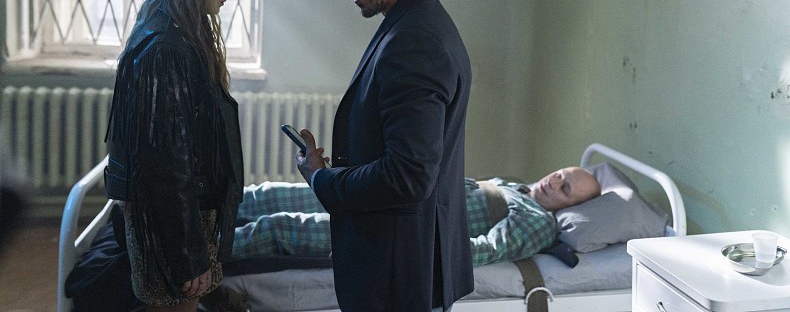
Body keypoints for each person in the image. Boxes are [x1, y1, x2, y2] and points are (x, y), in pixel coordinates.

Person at [295, 0, 474, 312]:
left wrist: (323, 180)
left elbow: (408, 175)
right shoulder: (413, 24)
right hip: (402, 271)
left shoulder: (415, 40)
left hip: (399, 281)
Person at [104, 0, 244, 312]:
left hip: (181, 216)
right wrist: (188, 254)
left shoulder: (173, 35)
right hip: (174, 222)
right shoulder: (166, 50)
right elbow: (167, 164)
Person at [230, 166, 601, 266]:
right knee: (270, 195)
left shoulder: (538, 221)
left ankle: (202, 261)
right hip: (389, 196)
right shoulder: (514, 187)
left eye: (566, 189)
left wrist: (416, 249)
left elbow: (487, 249)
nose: (555, 182)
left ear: (570, 208)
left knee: (279, 229)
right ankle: (201, 217)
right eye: (561, 174)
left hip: (398, 226)